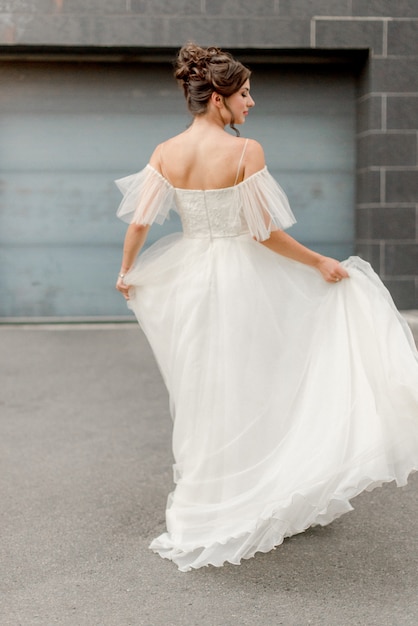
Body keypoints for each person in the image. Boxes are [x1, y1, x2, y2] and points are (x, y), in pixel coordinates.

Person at [115, 43, 418, 572]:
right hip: (237, 279)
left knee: (203, 389)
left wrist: (127, 271)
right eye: (245, 93)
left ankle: (206, 504)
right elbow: (262, 233)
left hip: (189, 280)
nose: (251, 102)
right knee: (257, 382)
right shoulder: (244, 151)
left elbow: (140, 222)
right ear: (218, 100)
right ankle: (258, 488)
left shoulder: (165, 151)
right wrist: (319, 261)